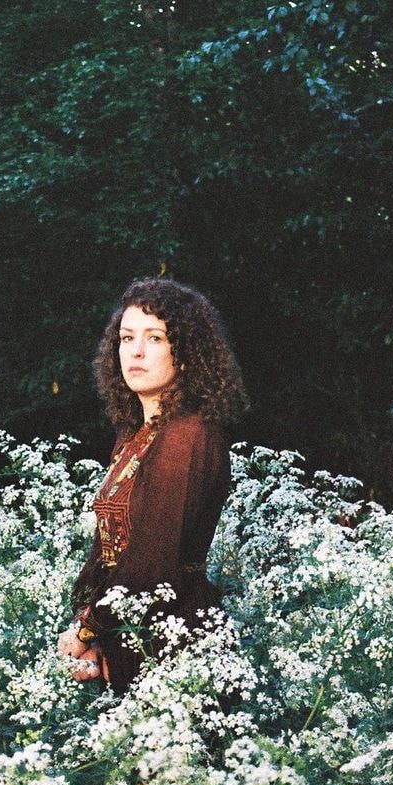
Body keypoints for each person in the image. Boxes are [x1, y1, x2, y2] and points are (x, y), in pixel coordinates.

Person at [56, 277, 248, 694]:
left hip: (173, 641)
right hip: (127, 630)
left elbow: (153, 561)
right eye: (127, 338)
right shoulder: (137, 435)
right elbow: (106, 549)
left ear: (187, 352)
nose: (136, 351)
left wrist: (88, 632)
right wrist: (86, 626)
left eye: (155, 338)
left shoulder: (188, 435)